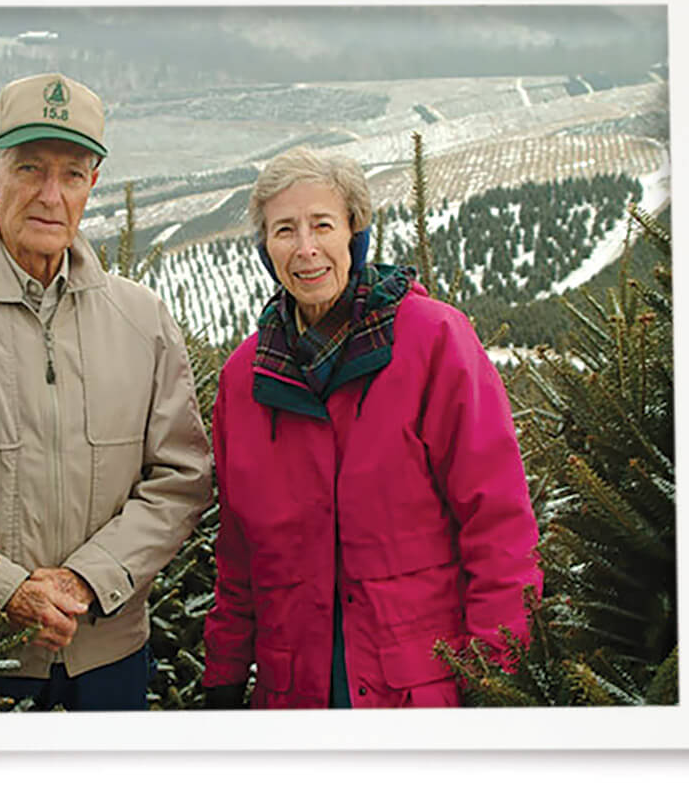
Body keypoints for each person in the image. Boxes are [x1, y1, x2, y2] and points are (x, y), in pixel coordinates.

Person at [0, 73, 212, 711]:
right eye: (30, 168)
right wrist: (3, 589)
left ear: (93, 185)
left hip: (111, 656)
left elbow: (181, 477)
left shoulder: (144, 323)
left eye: (72, 174)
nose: (50, 195)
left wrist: (88, 578)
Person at [201, 146, 542, 709]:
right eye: (284, 230)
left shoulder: (433, 342)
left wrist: (495, 678)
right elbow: (238, 555)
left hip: (421, 693)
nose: (306, 248)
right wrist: (223, 677)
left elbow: (498, 525)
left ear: (355, 233)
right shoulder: (246, 378)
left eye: (322, 225)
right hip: (294, 698)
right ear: (265, 248)